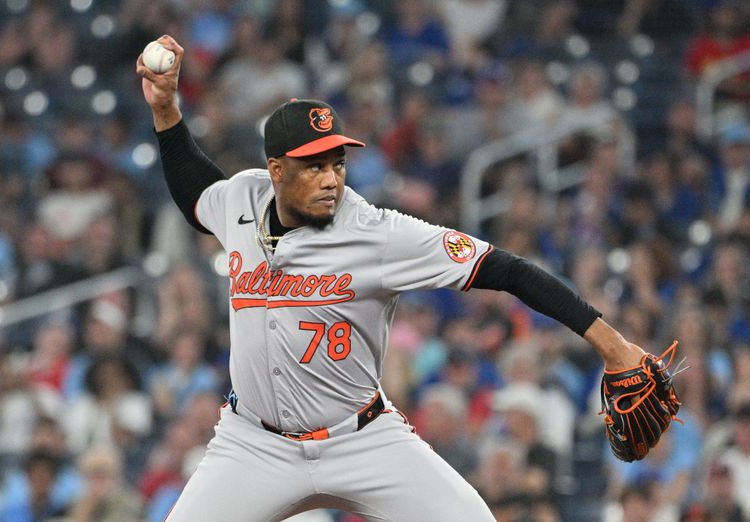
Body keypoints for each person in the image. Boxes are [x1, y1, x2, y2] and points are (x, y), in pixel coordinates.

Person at [137, 35, 651, 522]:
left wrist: (612, 344)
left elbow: (507, 270)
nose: (331, 178)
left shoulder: (377, 232)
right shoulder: (244, 199)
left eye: (337, 163)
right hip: (253, 443)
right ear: (275, 170)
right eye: (313, 165)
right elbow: (197, 194)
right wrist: (166, 113)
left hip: (361, 438)